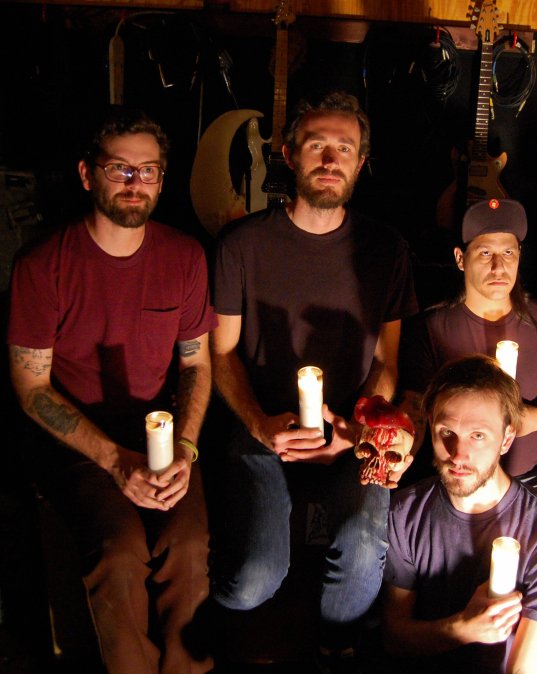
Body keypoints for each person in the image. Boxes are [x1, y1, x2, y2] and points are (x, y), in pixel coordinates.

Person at [210, 91, 418, 667]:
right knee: (251, 583)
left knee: (362, 549)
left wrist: (359, 429)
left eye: (344, 149)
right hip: (262, 426)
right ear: (289, 154)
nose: (330, 160)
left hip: (349, 431)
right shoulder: (242, 246)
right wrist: (258, 423)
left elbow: (387, 362)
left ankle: (335, 646)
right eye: (317, 145)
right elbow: (221, 353)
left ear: (361, 162)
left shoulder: (387, 250)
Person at [7, 108, 216, 674]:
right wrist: (113, 460)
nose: (134, 182)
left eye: (147, 171)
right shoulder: (43, 266)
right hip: (80, 444)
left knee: (188, 546)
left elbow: (196, 364)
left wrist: (186, 449)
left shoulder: (184, 257)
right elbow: (31, 387)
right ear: (86, 175)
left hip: (162, 437)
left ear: (162, 180)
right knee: (120, 553)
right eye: (119, 168)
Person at [399, 198, 537, 674]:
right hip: (457, 477)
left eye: (509, 253)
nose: (499, 267)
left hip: (529, 475)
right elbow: (416, 404)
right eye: (485, 253)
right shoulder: (432, 327)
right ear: (461, 258)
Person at [384, 354, 537, 673]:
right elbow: (394, 637)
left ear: (506, 438)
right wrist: (463, 629)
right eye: (447, 432)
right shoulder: (405, 512)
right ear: (430, 427)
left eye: (478, 435)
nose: (458, 455)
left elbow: (524, 669)